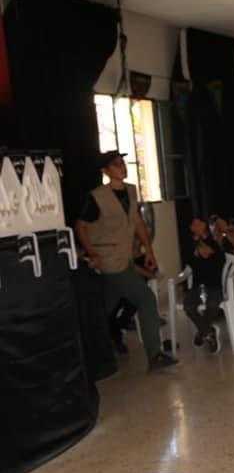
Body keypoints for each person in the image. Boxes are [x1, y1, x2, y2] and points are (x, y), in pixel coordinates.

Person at [75, 150, 176, 372]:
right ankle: (154, 355)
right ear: (105, 171)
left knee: (104, 307)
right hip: (109, 259)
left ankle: (85, 351)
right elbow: (80, 226)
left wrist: (149, 251)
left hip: (125, 257)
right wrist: (92, 253)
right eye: (116, 164)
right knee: (146, 298)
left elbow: (138, 222)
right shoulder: (96, 196)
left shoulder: (130, 191)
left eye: (122, 163)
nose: (122, 167)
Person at [183, 218, 227, 353]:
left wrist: (207, 249)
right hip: (197, 286)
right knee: (188, 306)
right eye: (193, 224)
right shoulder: (189, 244)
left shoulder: (214, 241)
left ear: (205, 225)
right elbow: (188, 262)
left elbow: (220, 260)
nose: (196, 226)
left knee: (212, 305)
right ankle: (208, 331)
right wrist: (197, 247)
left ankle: (202, 331)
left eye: (199, 223)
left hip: (214, 285)